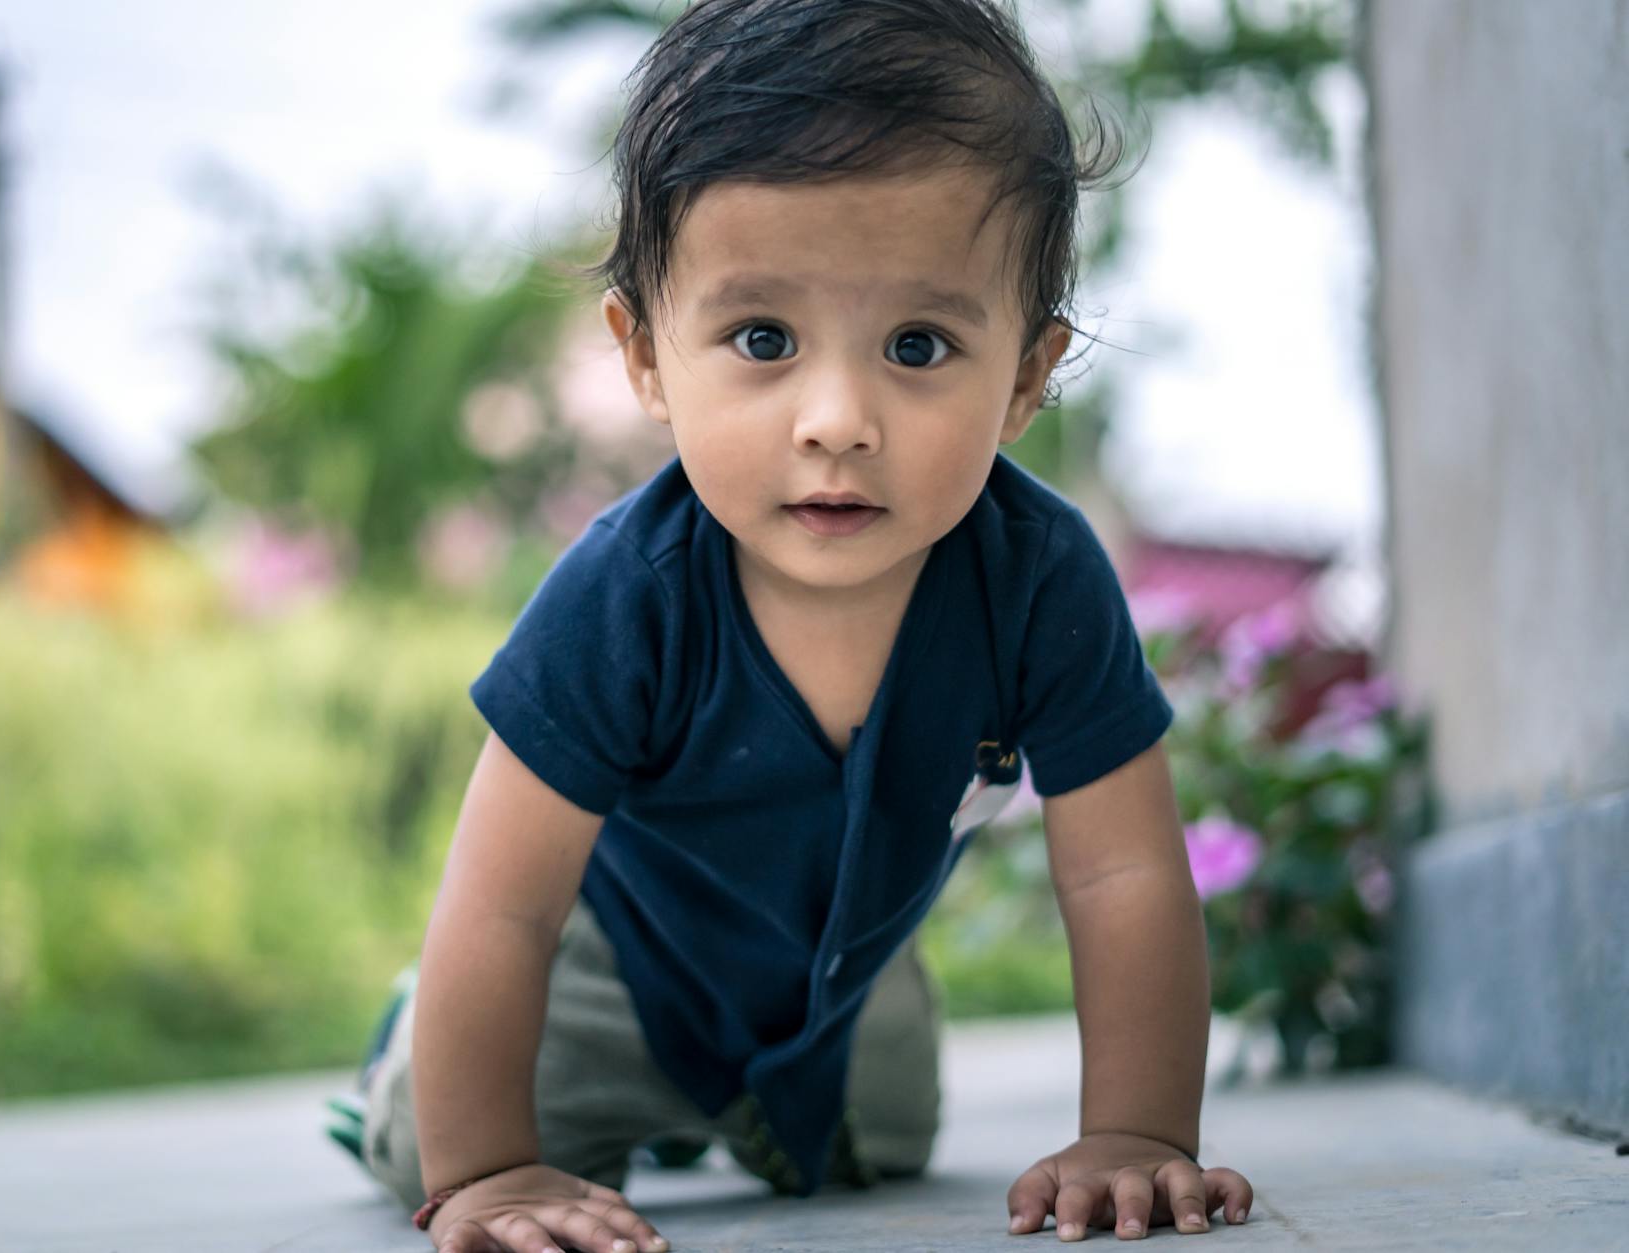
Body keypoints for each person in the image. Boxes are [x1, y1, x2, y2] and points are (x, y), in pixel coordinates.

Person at [328, 0, 1256, 1247]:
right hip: (609, 978)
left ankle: (767, 1093)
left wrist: (1138, 1134)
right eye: (761, 338)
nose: (835, 417)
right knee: (442, 1145)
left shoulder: (1038, 579)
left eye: (917, 344)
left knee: (882, 1139)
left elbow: (1123, 867)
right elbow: (502, 909)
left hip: (843, 979)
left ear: (1027, 375)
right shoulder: (626, 594)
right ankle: (410, 1049)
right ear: (647, 354)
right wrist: (489, 1168)